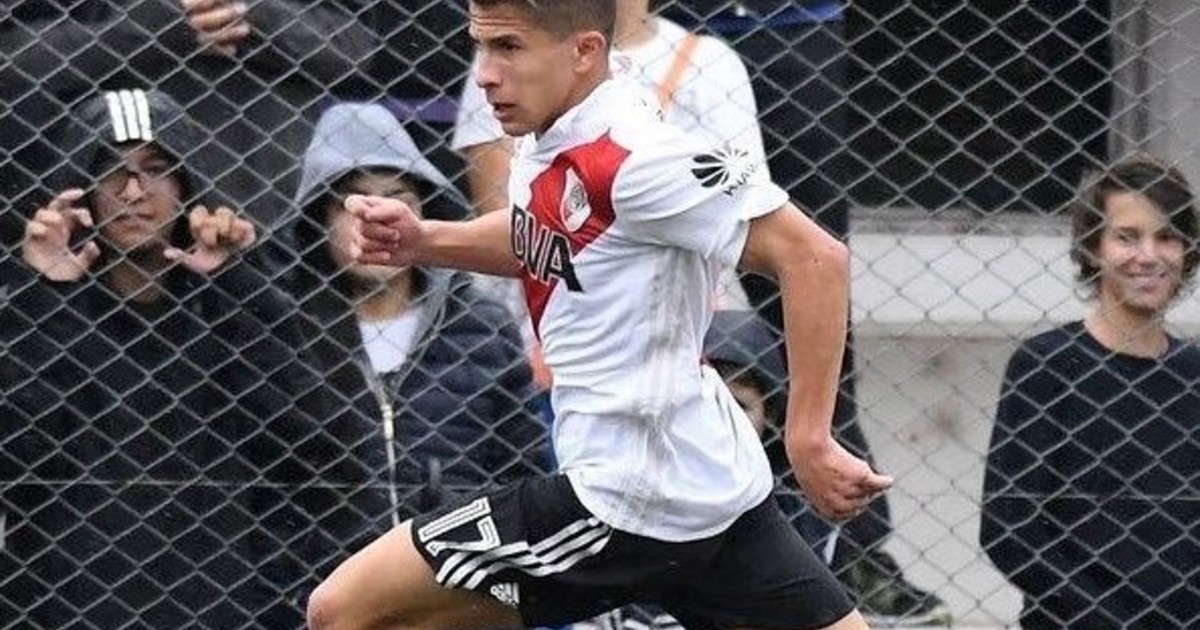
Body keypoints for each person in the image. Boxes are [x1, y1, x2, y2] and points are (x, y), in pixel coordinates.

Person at [305, 2, 893, 630]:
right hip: (711, 488)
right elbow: (548, 235)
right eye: (481, 45)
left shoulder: (640, 158)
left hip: (627, 501)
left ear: (585, 50)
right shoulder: (560, 132)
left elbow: (815, 258)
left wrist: (809, 437)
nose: (484, 74)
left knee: (345, 612)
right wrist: (426, 240)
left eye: (509, 47)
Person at [0, 87, 391, 628]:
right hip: (62, 610)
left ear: (188, 185)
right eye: (111, 170)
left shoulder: (231, 305)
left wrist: (236, 282)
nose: (133, 190)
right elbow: (20, 454)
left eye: (156, 169)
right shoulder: (41, 309)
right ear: (79, 189)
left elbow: (319, 446)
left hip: (222, 609)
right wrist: (48, 294)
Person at [287, 102, 554, 520]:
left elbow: (524, 474)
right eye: (352, 205)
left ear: (426, 214)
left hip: (459, 554)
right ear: (319, 220)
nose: (375, 220)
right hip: (331, 560)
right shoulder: (290, 333)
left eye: (397, 200)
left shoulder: (481, 327)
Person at [981, 153, 1200, 629]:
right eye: (1127, 236)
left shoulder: (1194, 374)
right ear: (1093, 247)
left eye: (1167, 236)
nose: (1148, 256)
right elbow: (1008, 526)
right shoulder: (1048, 365)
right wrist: (1101, 616)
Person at [0, 0, 381, 269]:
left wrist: (247, 13)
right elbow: (16, 56)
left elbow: (357, 47)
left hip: (272, 213)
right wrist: (149, 30)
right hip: (111, 225)